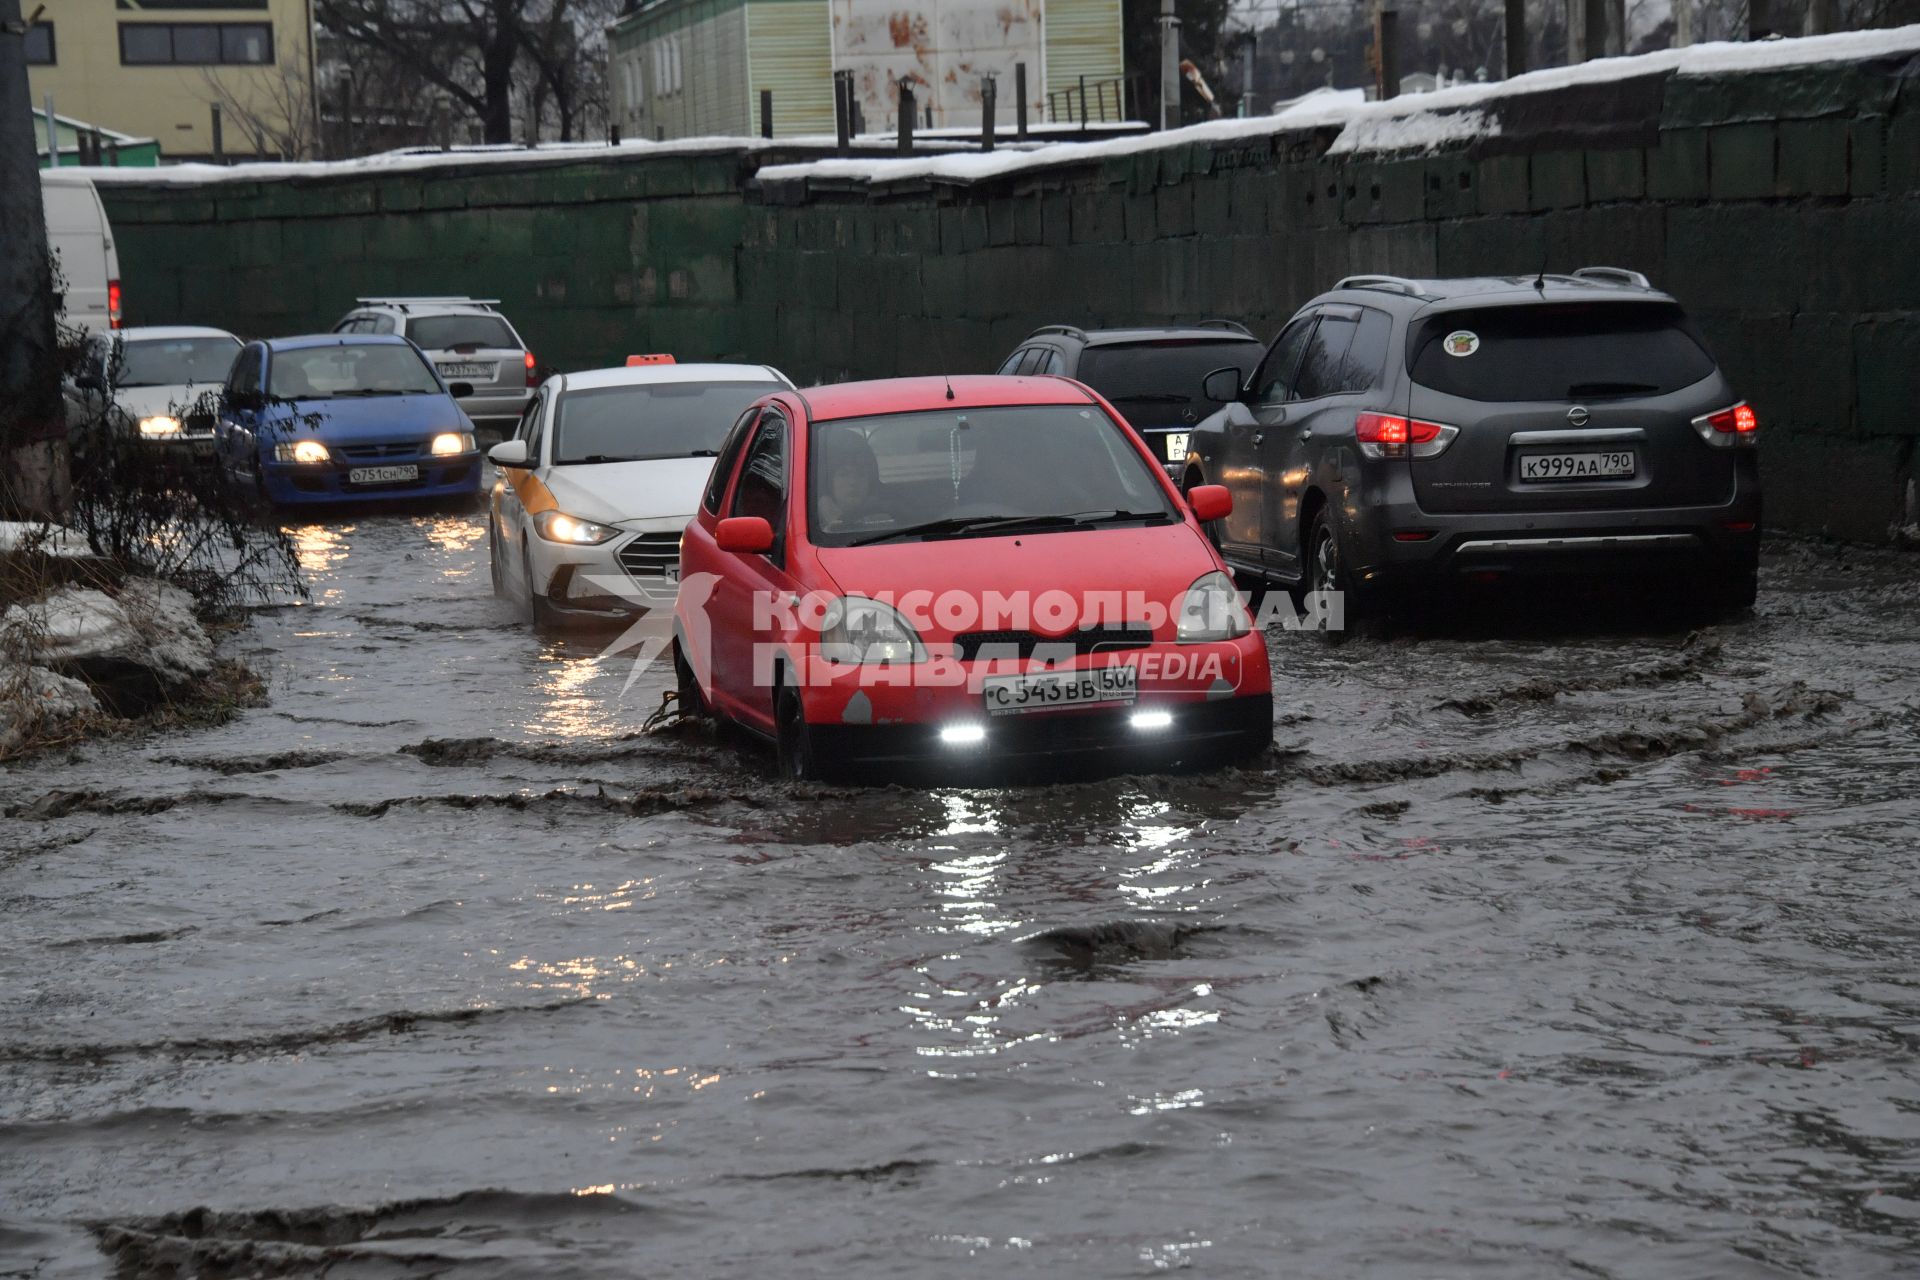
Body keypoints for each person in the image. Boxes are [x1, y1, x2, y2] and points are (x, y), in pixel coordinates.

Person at [814, 430, 884, 531]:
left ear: (870, 482)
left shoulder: (886, 518)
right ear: (829, 483)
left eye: (861, 475)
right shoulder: (811, 521)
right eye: (843, 475)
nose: (853, 482)